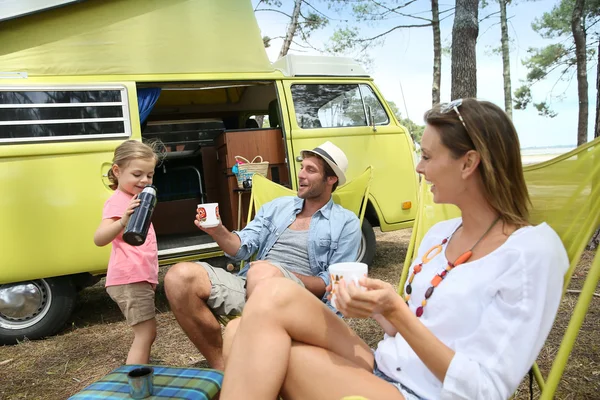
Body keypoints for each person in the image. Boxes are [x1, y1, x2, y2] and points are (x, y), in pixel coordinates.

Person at [218, 99, 569, 400]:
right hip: (383, 366)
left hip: (421, 392)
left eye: (428, 156)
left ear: (468, 163)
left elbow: (486, 390)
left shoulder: (531, 252)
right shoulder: (442, 235)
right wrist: (378, 308)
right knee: (264, 303)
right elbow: (410, 324)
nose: (419, 167)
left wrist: (396, 311)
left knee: (251, 345)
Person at [164, 141, 361, 370]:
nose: (301, 175)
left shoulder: (346, 223)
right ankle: (223, 367)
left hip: (300, 299)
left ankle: (254, 362)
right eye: (302, 167)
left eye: (311, 170)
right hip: (250, 285)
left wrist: (277, 274)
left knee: (263, 270)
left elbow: (333, 284)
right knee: (179, 277)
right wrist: (217, 230)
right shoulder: (278, 207)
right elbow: (242, 249)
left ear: (331, 179)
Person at [93, 140, 161, 365]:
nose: (144, 180)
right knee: (145, 334)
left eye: (149, 175)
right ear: (117, 171)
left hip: (139, 277)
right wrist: (122, 220)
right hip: (129, 278)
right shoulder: (118, 202)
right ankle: (137, 384)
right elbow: (99, 238)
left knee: (147, 334)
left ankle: (142, 377)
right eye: (137, 174)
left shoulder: (138, 199)